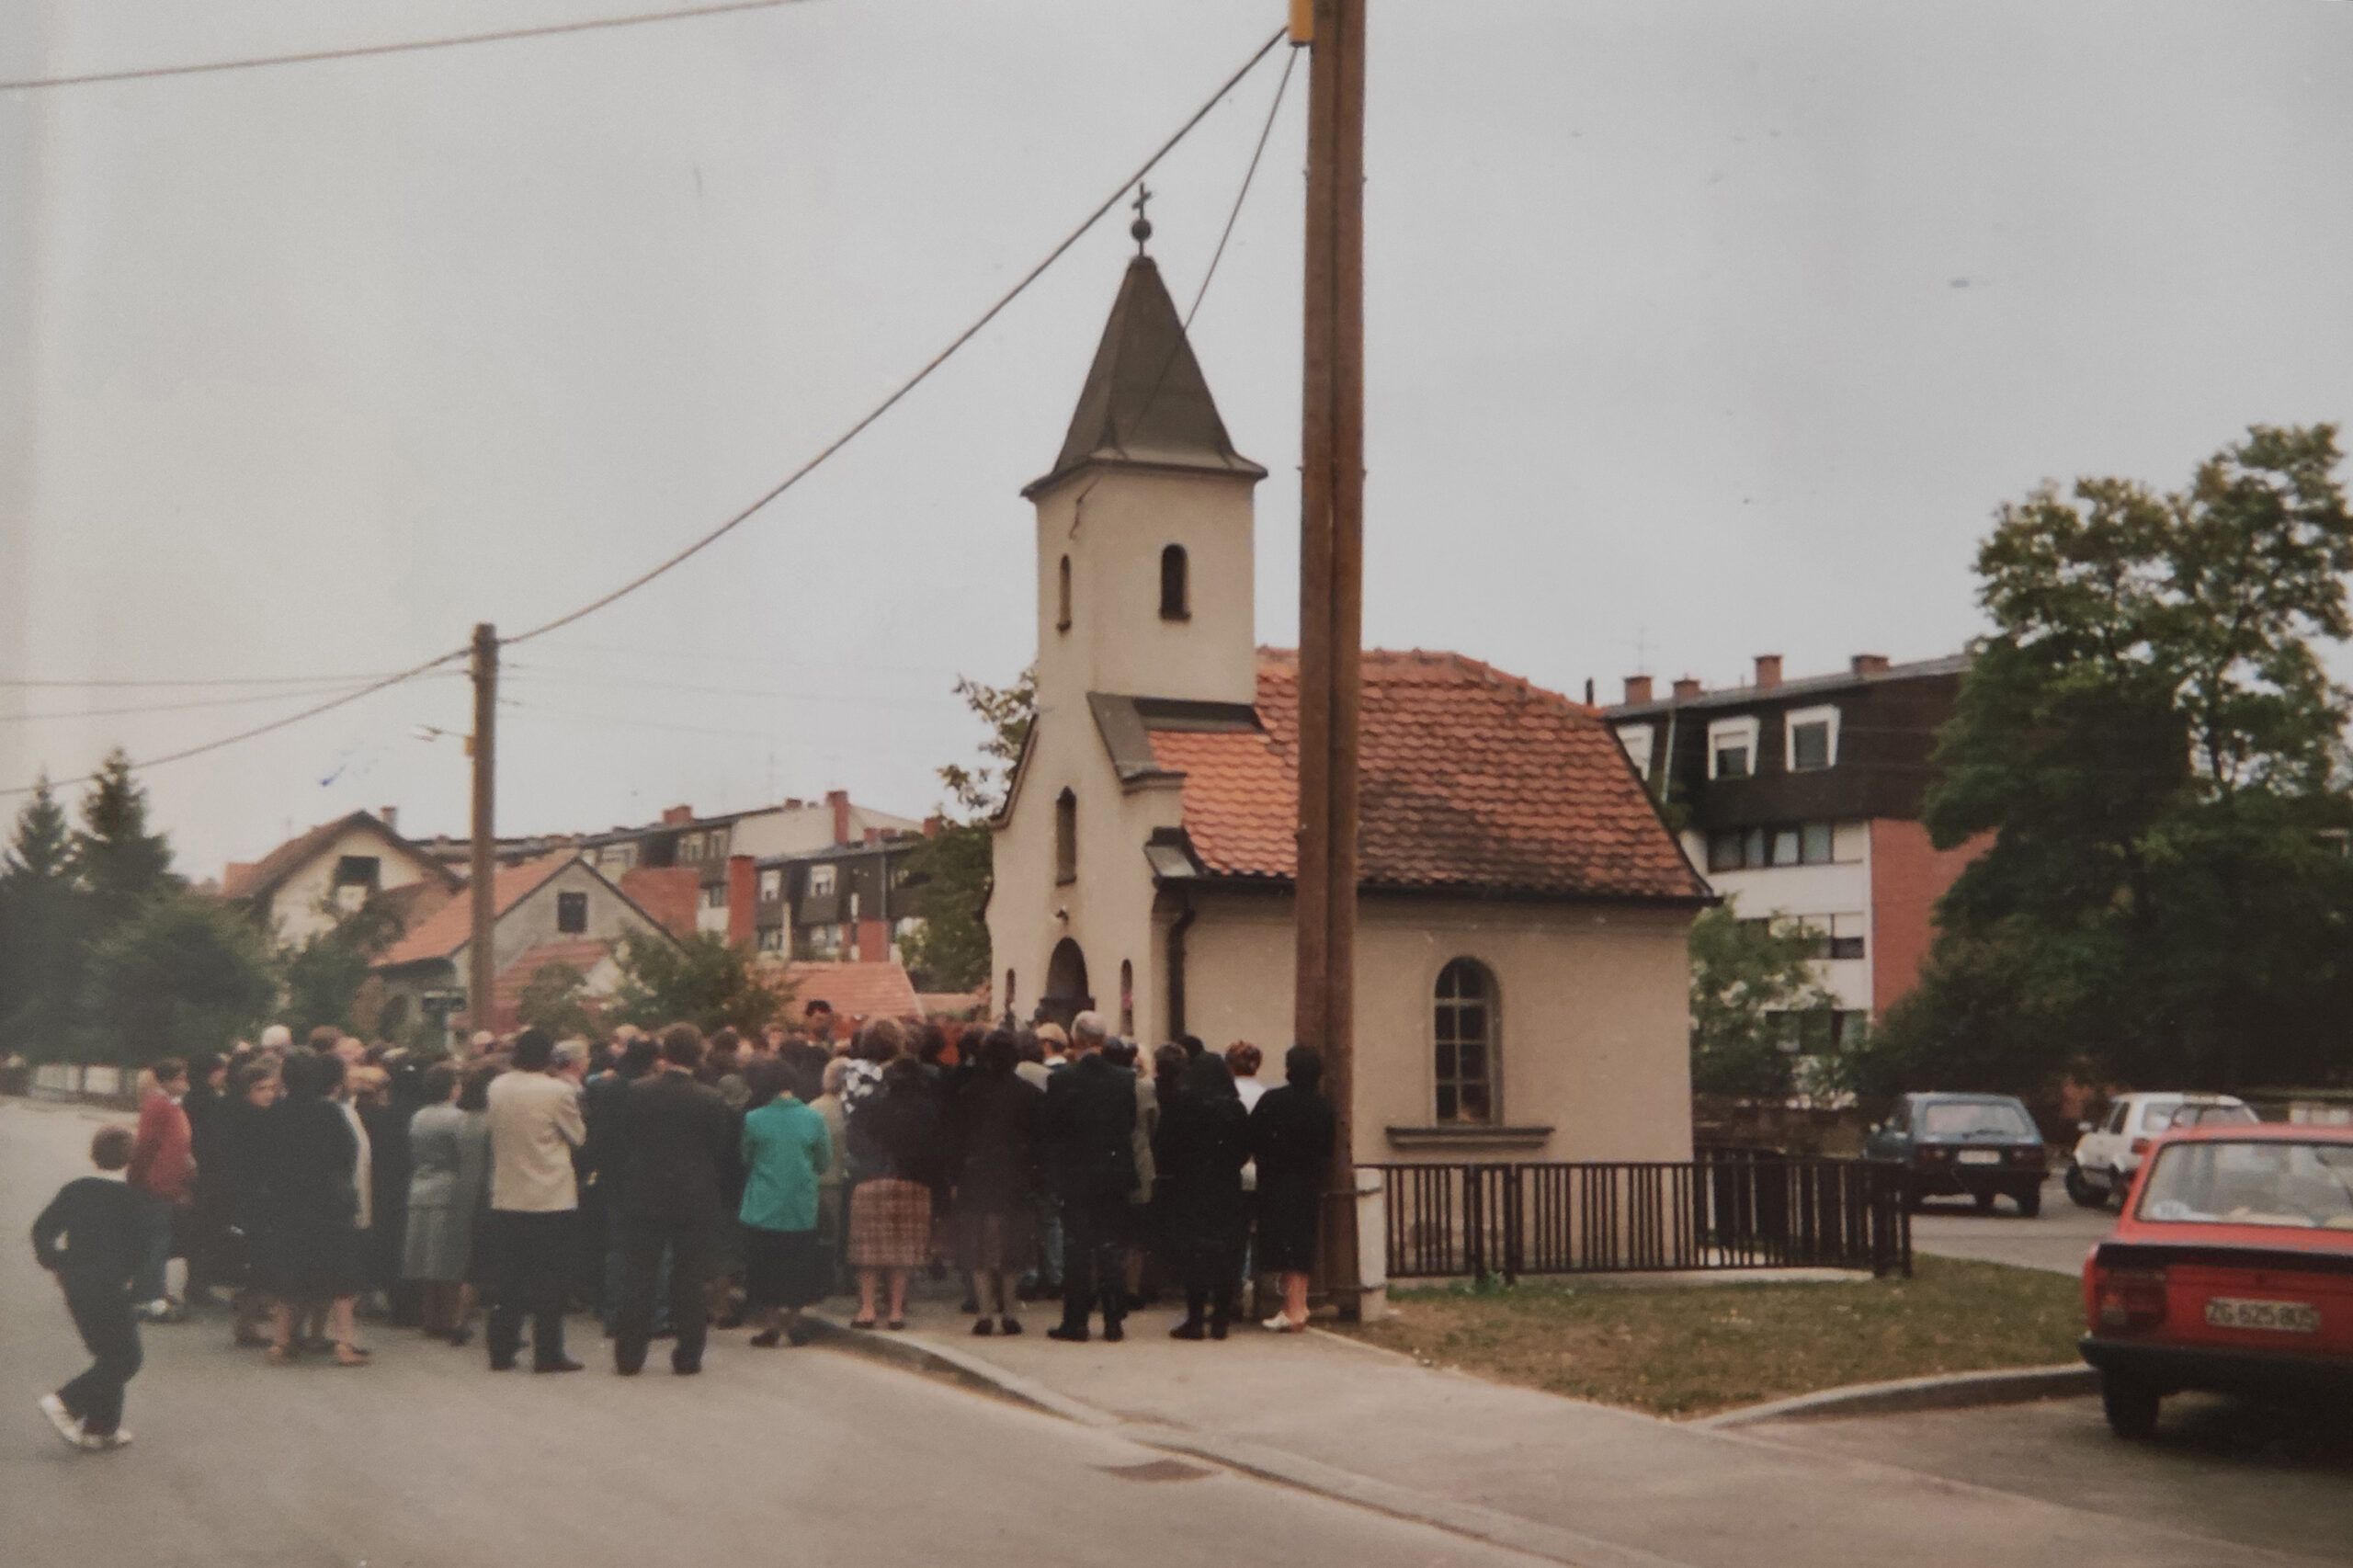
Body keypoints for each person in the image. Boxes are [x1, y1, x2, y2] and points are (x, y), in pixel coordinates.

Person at [612, 1025, 734, 1377]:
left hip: (645, 1193)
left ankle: (629, 1356)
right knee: (689, 1279)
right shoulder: (711, 1099)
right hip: (694, 1196)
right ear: (698, 1055)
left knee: (639, 1276)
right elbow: (719, 1148)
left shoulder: (637, 1092)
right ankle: (688, 1356)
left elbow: (625, 1140)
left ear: (664, 1054)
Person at [32, 1126, 148, 1451]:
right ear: (130, 1159)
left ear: (94, 1154)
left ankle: (102, 1428)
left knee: (108, 1355)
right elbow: (140, 1251)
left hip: (76, 1282)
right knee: (126, 1358)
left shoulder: (76, 1190)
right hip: (109, 1286)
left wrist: (57, 1262)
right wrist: (132, 1281)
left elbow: (42, 1229)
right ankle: (65, 1402)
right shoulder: (133, 1200)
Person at [255, 1051, 370, 1365]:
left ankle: (280, 1342)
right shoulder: (329, 1112)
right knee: (341, 1275)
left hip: (287, 1200)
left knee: (288, 1271)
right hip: (328, 1202)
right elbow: (348, 1153)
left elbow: (263, 1156)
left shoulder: (275, 1112)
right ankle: (344, 1344)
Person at [483, 1028, 587, 1373]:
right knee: (550, 1278)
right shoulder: (558, 1092)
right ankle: (548, 1351)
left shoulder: (497, 1086)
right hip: (550, 1194)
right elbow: (578, 1135)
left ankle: (501, 1349)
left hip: (508, 1191)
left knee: (508, 1276)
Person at [1040, 1012, 1136, 1343]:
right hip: (1113, 1173)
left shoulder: (1063, 1080)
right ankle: (1113, 1320)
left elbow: (1052, 1130)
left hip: (1077, 1175)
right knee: (1111, 1248)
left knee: (1077, 1249)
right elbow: (1128, 1124)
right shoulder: (1124, 1079)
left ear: (1075, 1039)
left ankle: (1076, 1321)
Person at [949, 1028, 1041, 1335]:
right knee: (1012, 1245)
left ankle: (984, 1312)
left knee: (978, 1245)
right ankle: (1010, 1311)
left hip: (977, 1175)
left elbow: (957, 1140)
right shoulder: (1030, 1094)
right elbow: (1037, 1139)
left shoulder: (968, 1094)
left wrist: (954, 1177)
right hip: (1015, 1175)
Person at [736, 1057, 832, 1347]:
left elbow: (746, 1156)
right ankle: (793, 1321)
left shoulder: (754, 1119)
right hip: (801, 1203)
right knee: (798, 1265)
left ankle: (771, 1325)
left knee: (764, 1265)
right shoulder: (814, 1118)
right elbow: (824, 1161)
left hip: (764, 1203)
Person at [1159, 1053, 1251, 1339]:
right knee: (1225, 1254)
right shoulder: (1235, 1109)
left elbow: (1164, 1145)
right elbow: (1244, 1150)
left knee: (1194, 1253)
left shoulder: (1182, 1105)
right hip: (1226, 1187)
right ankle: (1221, 1319)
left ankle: (1195, 1319)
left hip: (1190, 1188)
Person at [845, 1054, 940, 1330]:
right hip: (912, 1183)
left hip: (872, 1180)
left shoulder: (869, 1105)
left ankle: (867, 1308)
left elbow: (855, 1140)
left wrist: (874, 1165)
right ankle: (897, 1310)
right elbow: (934, 1147)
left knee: (869, 1252)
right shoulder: (926, 1108)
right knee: (902, 1252)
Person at [1249, 1045, 1336, 1333]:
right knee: (1302, 1243)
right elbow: (1327, 1147)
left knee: (1284, 1245)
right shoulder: (1323, 1106)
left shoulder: (1273, 1101)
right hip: (1308, 1181)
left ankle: (1294, 1308)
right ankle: (1298, 1304)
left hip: (1276, 1181)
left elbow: (1253, 1137)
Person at [403, 1062, 490, 1345]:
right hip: (448, 1189)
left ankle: (430, 1317)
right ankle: (451, 1318)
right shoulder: (457, 1119)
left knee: (425, 1258)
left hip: (421, 1186)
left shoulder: (419, 1116)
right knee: (450, 1258)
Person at [585, 1031, 660, 1335]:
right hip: (643, 1174)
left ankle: (612, 1311)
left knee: (616, 1245)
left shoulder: (607, 1088)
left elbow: (598, 1134)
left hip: (612, 1173)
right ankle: (646, 1314)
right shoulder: (648, 1091)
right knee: (648, 1248)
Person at [213, 1061, 281, 1346]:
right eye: (261, 1089)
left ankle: (251, 1317)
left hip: (259, 1196)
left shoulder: (263, 1117)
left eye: (272, 1088)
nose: (268, 1094)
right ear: (247, 1091)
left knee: (259, 1261)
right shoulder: (246, 1120)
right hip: (248, 1197)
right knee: (256, 1260)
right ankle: (247, 1323)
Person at [126, 1058, 195, 1323]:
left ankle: (153, 1291)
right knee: (156, 1242)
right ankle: (148, 1298)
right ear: (166, 1081)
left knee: (159, 1240)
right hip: (157, 1182)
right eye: (180, 1078)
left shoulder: (169, 1104)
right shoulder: (159, 1105)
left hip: (166, 1181)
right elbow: (147, 1145)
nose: (185, 1082)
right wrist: (141, 1178)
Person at [179, 1053, 230, 1306]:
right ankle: (199, 1285)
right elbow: (217, 1139)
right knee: (208, 1230)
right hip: (211, 1173)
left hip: (194, 1168)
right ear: (212, 1072)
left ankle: (195, 1282)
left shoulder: (189, 1098)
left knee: (195, 1229)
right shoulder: (212, 1101)